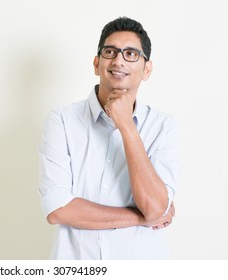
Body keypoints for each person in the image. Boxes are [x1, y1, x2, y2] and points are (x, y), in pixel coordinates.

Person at [39, 17, 180, 259]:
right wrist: (141, 217)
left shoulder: (163, 126)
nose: (118, 60)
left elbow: (155, 207)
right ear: (96, 64)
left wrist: (126, 125)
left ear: (146, 69)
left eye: (131, 54)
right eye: (110, 51)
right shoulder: (62, 120)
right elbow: (58, 208)